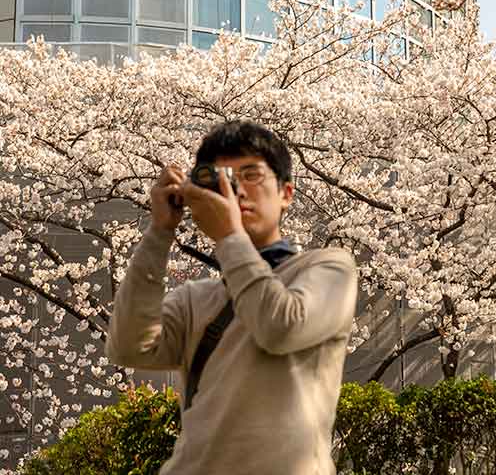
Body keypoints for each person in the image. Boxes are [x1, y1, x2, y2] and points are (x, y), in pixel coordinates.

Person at [106, 121, 358, 474]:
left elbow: (281, 326)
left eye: (251, 175)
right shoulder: (197, 298)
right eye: (221, 178)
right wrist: (159, 232)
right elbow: (129, 349)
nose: (236, 190)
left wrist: (228, 236)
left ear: (287, 193)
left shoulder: (328, 269)